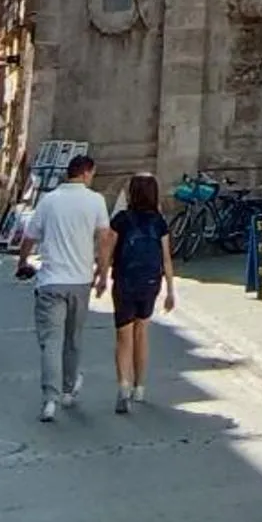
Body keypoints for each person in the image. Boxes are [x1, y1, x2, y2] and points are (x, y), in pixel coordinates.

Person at [20, 152, 112, 422]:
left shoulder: (49, 200)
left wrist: (23, 261)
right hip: (80, 280)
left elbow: (29, 236)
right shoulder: (95, 200)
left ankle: (50, 399)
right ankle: (69, 389)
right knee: (73, 339)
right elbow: (104, 238)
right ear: (86, 173)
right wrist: (102, 273)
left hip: (51, 280)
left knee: (51, 341)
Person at [100, 172, 174, 412]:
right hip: (150, 282)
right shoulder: (158, 222)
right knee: (142, 332)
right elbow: (166, 258)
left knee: (124, 336)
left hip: (125, 281)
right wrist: (170, 290)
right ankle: (140, 387)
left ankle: (123, 386)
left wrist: (102, 277)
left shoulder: (121, 220)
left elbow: (107, 250)